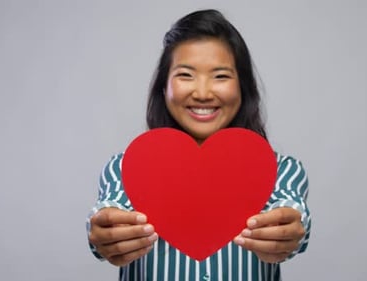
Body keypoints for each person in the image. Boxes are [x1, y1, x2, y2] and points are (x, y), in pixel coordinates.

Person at [86, 9, 311, 281]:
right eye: (185, 75)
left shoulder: (281, 171)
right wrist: (102, 231)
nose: (203, 93)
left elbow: (292, 211)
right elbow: (109, 210)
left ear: (243, 88)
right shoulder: (125, 168)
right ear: (163, 87)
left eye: (221, 76)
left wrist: (291, 231)